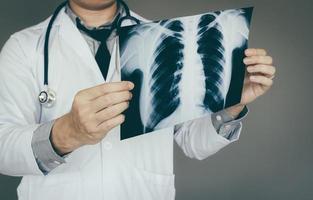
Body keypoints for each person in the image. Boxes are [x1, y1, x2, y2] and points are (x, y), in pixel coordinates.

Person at [0, 0, 276, 199]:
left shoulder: (167, 39)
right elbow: (3, 148)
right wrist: (67, 132)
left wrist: (230, 105)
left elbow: (194, 142)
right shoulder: (24, 47)